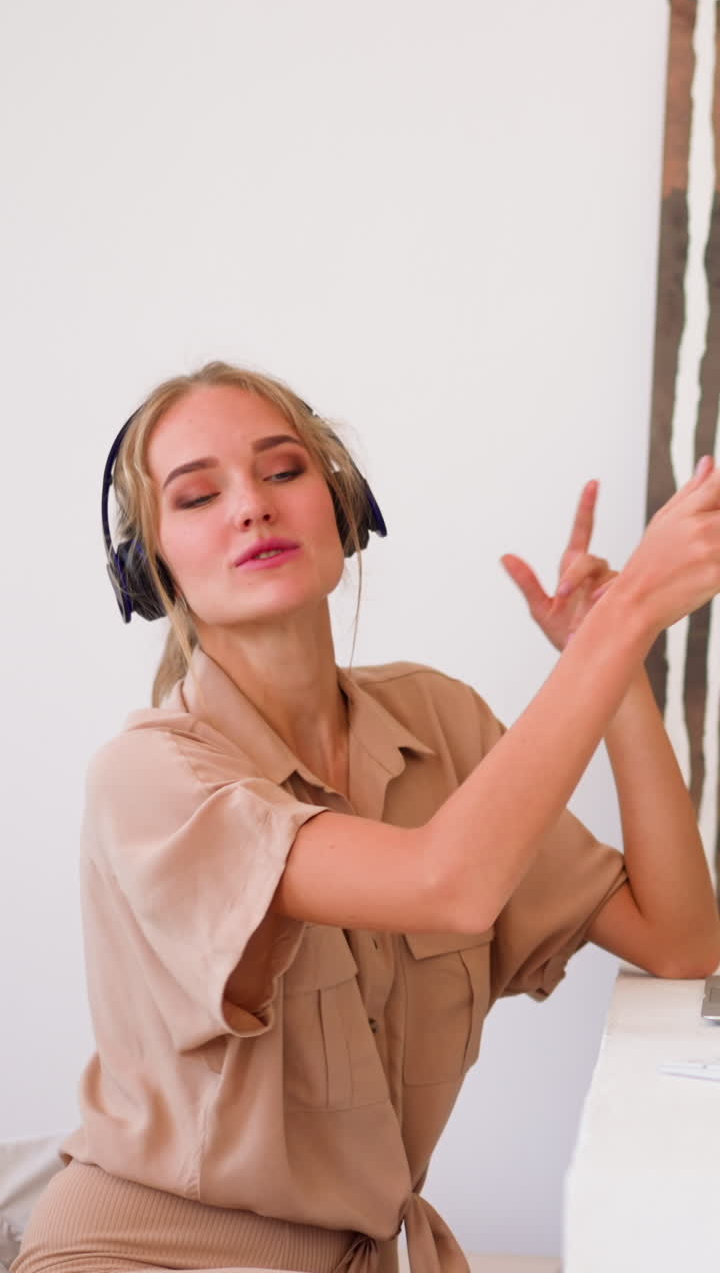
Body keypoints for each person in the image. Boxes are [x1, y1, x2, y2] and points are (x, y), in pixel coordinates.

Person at [14, 360, 720, 1273]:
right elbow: (447, 885)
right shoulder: (147, 776)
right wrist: (631, 609)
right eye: (197, 497)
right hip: (146, 1254)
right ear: (152, 569)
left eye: (283, 472)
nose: (252, 508)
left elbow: (681, 943)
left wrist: (612, 664)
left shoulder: (440, 722)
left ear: (344, 509)